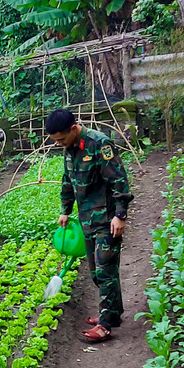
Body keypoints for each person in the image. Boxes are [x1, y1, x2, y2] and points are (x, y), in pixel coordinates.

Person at [46, 109, 132, 344]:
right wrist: (65, 210)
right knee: (95, 272)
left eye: (61, 139)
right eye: (55, 141)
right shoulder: (69, 149)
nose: (59, 144)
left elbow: (118, 180)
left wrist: (120, 215)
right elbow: (67, 181)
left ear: (74, 128)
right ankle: (112, 313)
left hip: (107, 219)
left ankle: (105, 325)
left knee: (105, 271)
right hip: (87, 220)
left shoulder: (99, 144)